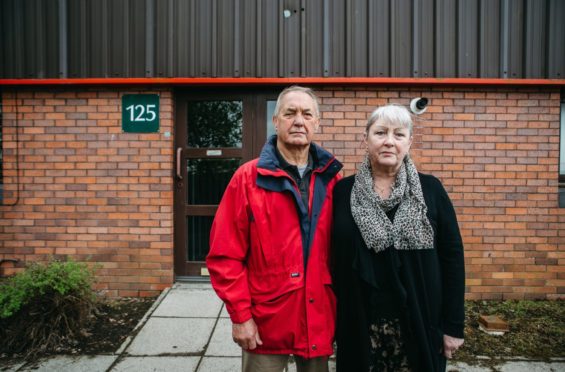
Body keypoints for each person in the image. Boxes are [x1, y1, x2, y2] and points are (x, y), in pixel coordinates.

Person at [207, 86, 342, 372]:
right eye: (290, 113)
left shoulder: (334, 179)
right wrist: (240, 316)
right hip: (265, 322)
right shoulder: (247, 179)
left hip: (318, 316)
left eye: (307, 114)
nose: (298, 120)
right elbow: (224, 255)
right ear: (276, 121)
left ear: (317, 123)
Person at [332, 104, 465, 372]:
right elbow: (333, 259)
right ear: (365, 139)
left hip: (420, 319)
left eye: (399, 134)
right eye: (380, 132)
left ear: (409, 142)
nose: (389, 142)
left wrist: (453, 326)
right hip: (360, 323)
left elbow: (452, 260)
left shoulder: (431, 190)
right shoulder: (342, 192)